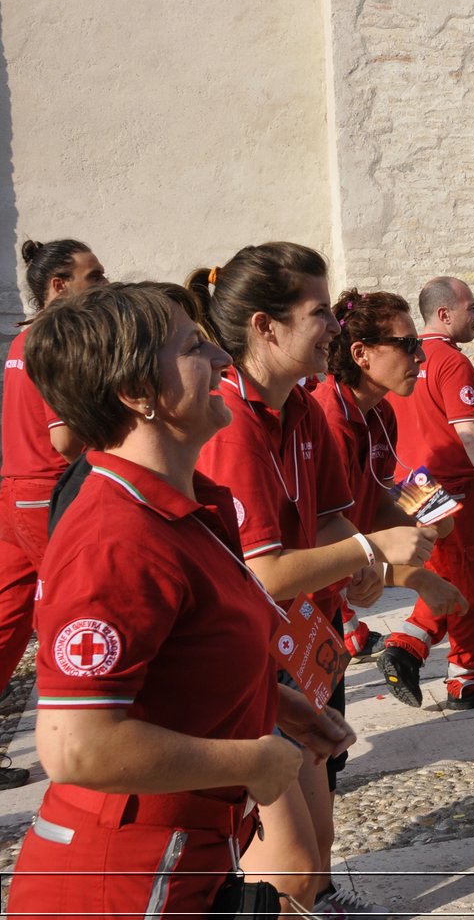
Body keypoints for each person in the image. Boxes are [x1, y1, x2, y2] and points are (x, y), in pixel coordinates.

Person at [7, 282, 352, 919]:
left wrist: (277, 706)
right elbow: (76, 746)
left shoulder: (180, 510)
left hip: (181, 859)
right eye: (194, 347)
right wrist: (253, 756)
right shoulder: (116, 536)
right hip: (125, 882)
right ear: (137, 394)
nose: (225, 359)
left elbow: (179, 661)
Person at [191, 243, 436, 916]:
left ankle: (319, 902)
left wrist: (366, 561)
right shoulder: (231, 419)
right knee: (288, 862)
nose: (334, 324)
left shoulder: (301, 405)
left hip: (299, 647)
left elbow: (334, 515)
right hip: (243, 658)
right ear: (266, 327)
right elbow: (266, 571)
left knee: (318, 840)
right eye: (319, 311)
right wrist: (368, 548)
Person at [0, 238, 106, 790]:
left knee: (8, 623)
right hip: (46, 493)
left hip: (15, 489)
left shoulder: (23, 338)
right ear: (59, 286)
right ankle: (81, 738)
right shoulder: (56, 340)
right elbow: (65, 437)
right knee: (70, 614)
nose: (104, 286)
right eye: (95, 278)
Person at [312, 290, 467, 662]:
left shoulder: (382, 412)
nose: (420, 355)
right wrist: (414, 577)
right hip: (300, 600)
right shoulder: (328, 419)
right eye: (407, 344)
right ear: (361, 354)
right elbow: (321, 537)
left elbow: (380, 498)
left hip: (329, 595)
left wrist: (431, 512)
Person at [381, 276, 474, 710]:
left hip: (410, 485)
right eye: (470, 306)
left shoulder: (404, 360)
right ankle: (414, 648)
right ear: (444, 314)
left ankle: (463, 673)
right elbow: (468, 433)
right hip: (451, 487)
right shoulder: (451, 362)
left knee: (455, 574)